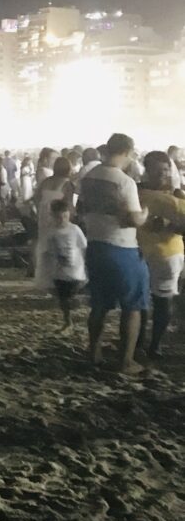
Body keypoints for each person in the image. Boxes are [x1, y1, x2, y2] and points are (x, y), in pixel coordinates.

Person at [78, 133, 149, 375]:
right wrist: (145, 213)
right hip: (122, 247)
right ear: (128, 152)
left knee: (99, 304)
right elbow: (132, 219)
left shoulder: (89, 177)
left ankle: (94, 353)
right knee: (132, 305)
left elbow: (81, 207)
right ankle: (126, 361)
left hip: (95, 245)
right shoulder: (124, 182)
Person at [138, 151, 185, 358]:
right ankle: (139, 341)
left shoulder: (177, 195)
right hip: (140, 252)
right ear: (147, 170)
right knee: (140, 301)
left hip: (167, 254)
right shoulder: (138, 192)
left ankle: (154, 343)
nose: (162, 174)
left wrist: (169, 224)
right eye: (157, 170)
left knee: (162, 300)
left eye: (166, 169)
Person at [32, 157, 77, 295]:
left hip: (44, 216)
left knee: (45, 246)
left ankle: (44, 279)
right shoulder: (67, 184)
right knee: (59, 246)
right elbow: (69, 204)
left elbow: (36, 198)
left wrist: (41, 210)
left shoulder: (46, 181)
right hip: (58, 217)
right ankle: (57, 278)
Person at [48, 199, 87, 330]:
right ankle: (67, 320)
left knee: (73, 291)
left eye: (65, 216)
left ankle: (74, 310)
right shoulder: (52, 232)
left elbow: (83, 246)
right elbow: (50, 251)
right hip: (59, 272)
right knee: (63, 298)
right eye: (59, 217)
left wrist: (85, 265)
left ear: (69, 214)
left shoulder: (75, 229)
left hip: (75, 270)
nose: (62, 220)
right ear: (53, 216)